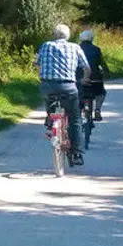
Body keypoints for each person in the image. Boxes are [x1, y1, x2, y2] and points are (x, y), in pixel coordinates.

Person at [34, 23, 88, 159]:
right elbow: (86, 68)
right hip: (68, 87)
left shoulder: (46, 45)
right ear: (68, 35)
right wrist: (84, 80)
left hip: (48, 86)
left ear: (54, 35)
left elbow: (37, 64)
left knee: (50, 103)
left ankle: (50, 122)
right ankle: (76, 152)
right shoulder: (75, 47)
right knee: (75, 118)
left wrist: (41, 78)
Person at [78, 29, 109, 122]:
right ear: (92, 39)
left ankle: (77, 113)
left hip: (79, 77)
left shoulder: (77, 49)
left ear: (81, 39)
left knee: (76, 93)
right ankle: (97, 110)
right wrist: (107, 72)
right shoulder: (96, 49)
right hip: (95, 78)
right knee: (101, 93)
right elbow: (102, 63)